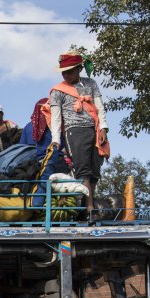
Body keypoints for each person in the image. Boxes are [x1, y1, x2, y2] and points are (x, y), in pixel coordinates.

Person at [48, 50, 110, 215]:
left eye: (70, 71)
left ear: (79, 68)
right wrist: (56, 140)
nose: (66, 75)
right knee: (83, 169)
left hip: (93, 129)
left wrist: (103, 127)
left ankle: (87, 202)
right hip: (74, 131)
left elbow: (100, 108)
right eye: (64, 72)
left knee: (95, 169)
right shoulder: (58, 91)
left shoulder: (90, 84)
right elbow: (56, 118)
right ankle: (89, 208)